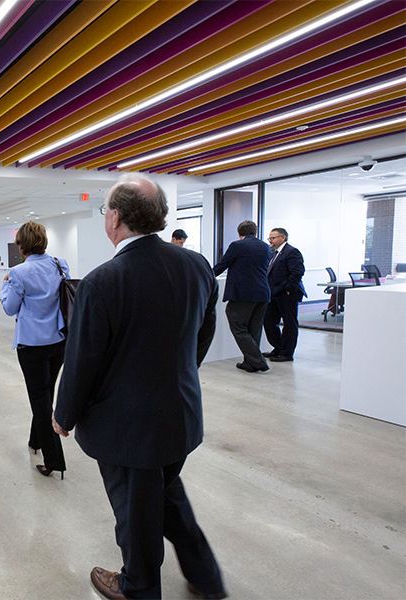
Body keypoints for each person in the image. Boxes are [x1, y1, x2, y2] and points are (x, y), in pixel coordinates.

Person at [53, 176, 226, 600]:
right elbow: (203, 333)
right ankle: (205, 576)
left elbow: (83, 360)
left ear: (114, 218)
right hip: (179, 417)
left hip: (128, 429)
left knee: (136, 511)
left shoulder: (102, 281)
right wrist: (175, 375)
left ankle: (139, 586)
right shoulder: (196, 265)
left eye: (104, 211)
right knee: (165, 497)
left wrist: (64, 414)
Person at [1, 221, 69, 479]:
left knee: (40, 400)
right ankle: (36, 440)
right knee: (45, 393)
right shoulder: (60, 264)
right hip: (58, 340)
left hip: (32, 345)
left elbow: (8, 308)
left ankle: (54, 460)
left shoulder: (18, 273)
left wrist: (6, 283)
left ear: (22, 246)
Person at [212, 220, 272, 373]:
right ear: (256, 232)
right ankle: (250, 363)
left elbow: (222, 265)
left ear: (239, 233)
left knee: (237, 325)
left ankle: (258, 361)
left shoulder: (237, 246)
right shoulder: (266, 247)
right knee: (254, 328)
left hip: (243, 293)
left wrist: (205, 274)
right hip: (263, 293)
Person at [263, 227, 306, 362]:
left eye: (273, 238)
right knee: (268, 321)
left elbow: (297, 272)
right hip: (273, 293)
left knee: (289, 323)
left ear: (283, 238)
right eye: (269, 238)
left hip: (287, 294)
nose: (270, 241)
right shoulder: (272, 253)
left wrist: (289, 289)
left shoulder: (292, 252)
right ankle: (279, 347)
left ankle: (287, 353)